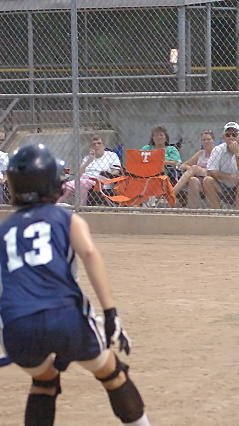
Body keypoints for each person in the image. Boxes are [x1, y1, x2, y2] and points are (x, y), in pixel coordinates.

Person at [0, 144, 150, 425]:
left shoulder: (4, 230)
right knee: (112, 372)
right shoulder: (66, 218)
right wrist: (110, 313)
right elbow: (90, 254)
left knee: (43, 381)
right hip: (65, 317)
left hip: (18, 325)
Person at [203, 122, 239, 209]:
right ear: (224, 137)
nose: (231, 137)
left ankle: (237, 212)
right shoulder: (218, 149)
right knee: (207, 180)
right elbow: (210, 171)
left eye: (234, 134)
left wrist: (237, 153)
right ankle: (217, 212)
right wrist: (231, 177)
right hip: (223, 185)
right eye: (228, 135)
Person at [58, 135, 122, 206]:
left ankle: (81, 207)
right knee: (66, 185)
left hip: (100, 181)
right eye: (94, 144)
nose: (96, 145)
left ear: (104, 145)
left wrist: (108, 173)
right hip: (84, 179)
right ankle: (55, 204)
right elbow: (79, 174)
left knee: (83, 183)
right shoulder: (87, 157)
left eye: (99, 143)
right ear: (91, 147)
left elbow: (117, 171)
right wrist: (89, 161)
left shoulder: (112, 155)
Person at [173, 130, 217, 209]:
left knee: (194, 169)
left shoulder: (217, 153)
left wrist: (196, 169)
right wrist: (192, 170)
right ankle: (193, 210)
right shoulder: (201, 153)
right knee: (193, 180)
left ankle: (171, 194)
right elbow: (184, 165)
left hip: (211, 178)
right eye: (203, 140)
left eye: (208, 139)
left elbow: (216, 171)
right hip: (199, 180)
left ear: (213, 140)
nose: (206, 142)